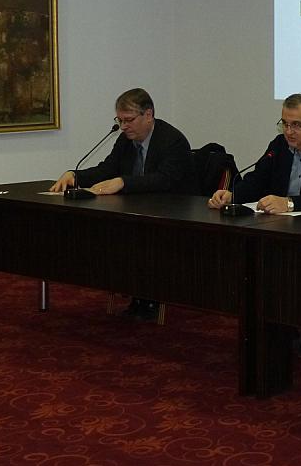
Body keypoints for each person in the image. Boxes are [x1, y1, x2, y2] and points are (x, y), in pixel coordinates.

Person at [50, 88, 196, 321]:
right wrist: (75, 176)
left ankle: (150, 297)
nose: (124, 126)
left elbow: (166, 179)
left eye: (129, 120)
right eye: (120, 120)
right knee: (113, 230)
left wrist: (123, 182)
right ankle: (133, 290)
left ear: (148, 115)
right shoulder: (125, 140)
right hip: (138, 209)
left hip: (174, 212)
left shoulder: (172, 140)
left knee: (139, 235)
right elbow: (108, 169)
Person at [208, 93, 301, 213]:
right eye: (285, 124)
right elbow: (257, 180)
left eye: (296, 125)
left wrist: (289, 203)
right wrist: (232, 195)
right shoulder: (279, 145)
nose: (289, 132)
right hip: (285, 224)